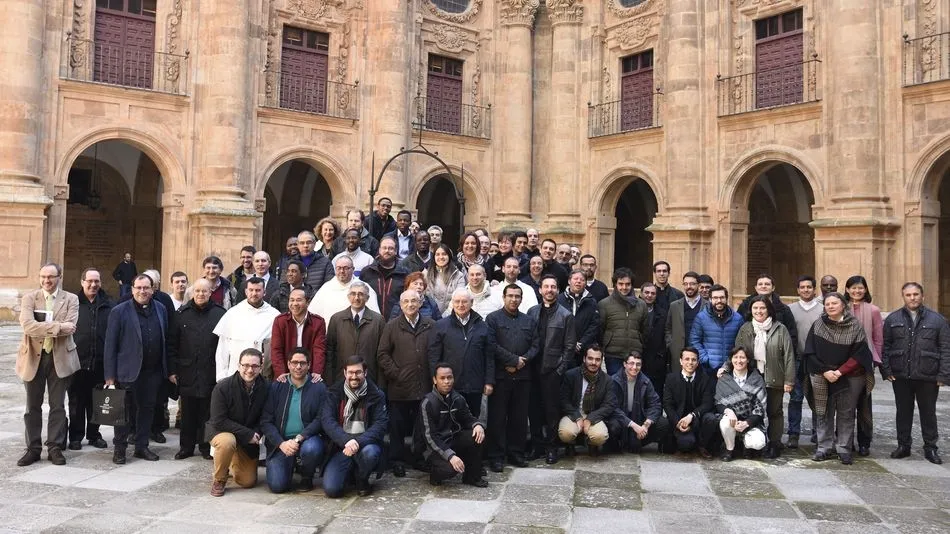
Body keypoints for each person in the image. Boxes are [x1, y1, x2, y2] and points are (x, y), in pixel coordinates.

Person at [16, 263, 80, 466]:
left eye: (51, 277)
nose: (46, 281)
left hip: (59, 358)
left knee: (58, 406)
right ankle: (33, 448)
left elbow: (71, 327)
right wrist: (58, 326)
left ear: (59, 277)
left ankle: (55, 447)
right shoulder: (29, 298)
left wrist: (43, 327)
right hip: (33, 357)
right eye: (43, 276)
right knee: (32, 406)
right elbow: (27, 325)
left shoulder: (71, 299)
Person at [104, 274, 169, 464]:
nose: (142, 291)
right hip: (127, 371)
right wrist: (110, 376)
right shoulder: (119, 311)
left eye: (146, 288)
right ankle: (120, 449)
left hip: (152, 371)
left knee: (147, 409)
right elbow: (110, 345)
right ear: (132, 289)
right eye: (138, 288)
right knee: (123, 412)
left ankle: (142, 446)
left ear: (153, 289)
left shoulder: (161, 308)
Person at [883, 282, 950, 465]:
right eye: (908, 295)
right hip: (901, 375)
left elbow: (945, 348)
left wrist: (943, 375)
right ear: (903, 296)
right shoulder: (892, 319)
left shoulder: (938, 320)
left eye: (916, 294)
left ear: (922, 296)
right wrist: (886, 370)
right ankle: (903, 446)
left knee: (928, 413)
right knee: (903, 412)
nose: (912, 298)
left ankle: (930, 448)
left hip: (927, 376)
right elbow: (886, 346)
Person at [804, 292, 874, 465]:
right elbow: (809, 352)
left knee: (846, 413)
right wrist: (826, 371)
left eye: (834, 303)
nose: (830, 306)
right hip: (823, 375)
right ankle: (824, 448)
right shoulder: (818, 325)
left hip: (850, 376)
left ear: (843, 305)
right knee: (823, 412)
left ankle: (844, 448)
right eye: (827, 304)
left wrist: (840, 372)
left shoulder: (855, 325)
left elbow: (860, 354)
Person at [723, 295, 795, 458]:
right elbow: (737, 352)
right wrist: (726, 368)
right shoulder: (746, 328)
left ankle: (775, 443)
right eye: (755, 308)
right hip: (752, 378)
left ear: (769, 310)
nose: (759, 311)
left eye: (762, 308)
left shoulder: (780, 328)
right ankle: (751, 444)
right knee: (752, 411)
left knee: (774, 411)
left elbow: (789, 355)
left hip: (775, 376)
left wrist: (789, 380)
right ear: (751, 311)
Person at [378, 290, 435, 477]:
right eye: (406, 302)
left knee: (421, 426)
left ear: (420, 303)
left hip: (423, 385)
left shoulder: (430, 324)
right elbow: (383, 354)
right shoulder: (392, 326)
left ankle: (419, 458)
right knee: (397, 427)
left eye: (414, 301)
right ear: (401, 305)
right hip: (399, 387)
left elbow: (436, 351)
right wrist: (397, 374)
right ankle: (397, 460)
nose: (410, 304)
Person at [168, 278, 226, 460]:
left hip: (210, 371)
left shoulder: (220, 314)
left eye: (205, 291)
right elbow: (172, 344)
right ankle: (186, 447)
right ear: (192, 293)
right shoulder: (181, 315)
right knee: (187, 413)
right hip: (187, 371)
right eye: (198, 291)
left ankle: (205, 446)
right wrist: (172, 370)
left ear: (211, 293)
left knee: (207, 412)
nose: (201, 294)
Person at [485, 284, 539, 471]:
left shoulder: (529, 321)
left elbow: (536, 345)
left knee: (519, 418)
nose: (514, 299)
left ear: (521, 299)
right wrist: (512, 360)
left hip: (523, 377)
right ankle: (496, 456)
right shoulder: (492, 319)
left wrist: (522, 361)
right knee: (497, 418)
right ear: (504, 297)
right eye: (511, 296)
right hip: (501, 376)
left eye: (517, 296)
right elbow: (491, 345)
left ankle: (516, 453)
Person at [260, 348, 328, 493]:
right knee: (278, 487)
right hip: (281, 443)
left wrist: (300, 437)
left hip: (307, 439)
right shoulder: (277, 386)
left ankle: (306, 475)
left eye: (302, 363)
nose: (298, 367)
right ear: (288, 364)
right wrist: (281, 443)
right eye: (295, 363)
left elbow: (321, 418)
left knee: (311, 449)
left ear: (309, 365)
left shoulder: (319, 387)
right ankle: (289, 463)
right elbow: (266, 421)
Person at [321, 355, 388, 498]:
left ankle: (362, 478)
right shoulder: (334, 392)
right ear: (345, 373)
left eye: (358, 372)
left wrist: (357, 442)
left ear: (365, 373)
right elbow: (327, 420)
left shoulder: (376, 394)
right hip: (341, 447)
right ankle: (350, 472)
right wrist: (346, 440)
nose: (354, 376)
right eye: (350, 372)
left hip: (365, 445)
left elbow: (380, 424)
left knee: (371, 453)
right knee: (332, 490)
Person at [526, 275, 575, 464]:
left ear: (558, 290)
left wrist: (560, 370)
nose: (549, 290)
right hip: (533, 369)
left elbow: (569, 346)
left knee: (552, 412)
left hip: (552, 371)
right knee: (534, 410)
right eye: (546, 286)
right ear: (540, 290)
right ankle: (536, 446)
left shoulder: (565, 315)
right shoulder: (532, 311)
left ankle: (551, 448)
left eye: (553, 287)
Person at [415, 363, 489, 487]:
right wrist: (450, 456)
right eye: (442, 378)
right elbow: (430, 437)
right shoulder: (428, 403)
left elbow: (468, 418)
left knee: (477, 435)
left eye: (449, 378)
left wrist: (477, 425)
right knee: (451, 470)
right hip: (433, 448)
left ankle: (472, 477)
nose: (447, 381)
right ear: (435, 380)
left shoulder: (457, 398)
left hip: (452, 439)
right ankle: (435, 473)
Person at [207, 348, 268, 497]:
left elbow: (266, 417)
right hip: (222, 431)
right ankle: (219, 479)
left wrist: (257, 433)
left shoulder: (266, 387)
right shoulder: (223, 387)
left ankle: (230, 459)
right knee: (227, 441)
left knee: (247, 482)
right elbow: (219, 420)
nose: (249, 370)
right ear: (238, 365)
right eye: (245, 365)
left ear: (261, 367)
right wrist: (248, 434)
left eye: (254, 366)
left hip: (248, 439)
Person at [429, 288, 493, 417]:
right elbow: (433, 356)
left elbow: (489, 356)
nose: (460, 305)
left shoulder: (483, 326)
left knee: (472, 422)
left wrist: (489, 381)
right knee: (449, 423)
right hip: (450, 385)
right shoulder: (441, 326)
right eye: (457, 301)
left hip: (475, 385)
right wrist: (435, 379)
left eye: (464, 301)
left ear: (471, 302)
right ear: (452, 303)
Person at [66, 268, 111, 451]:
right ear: (82, 282)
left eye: (97, 281)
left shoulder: (108, 305)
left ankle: (94, 434)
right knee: (76, 401)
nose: (93, 285)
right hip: (77, 362)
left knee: (97, 402)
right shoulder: (73, 304)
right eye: (90, 281)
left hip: (100, 363)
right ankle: (76, 436)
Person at [843, 275, 882, 457]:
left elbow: (877, 338)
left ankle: (864, 441)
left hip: (865, 363)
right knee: (844, 404)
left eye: (860, 288)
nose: (857, 291)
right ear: (847, 289)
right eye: (853, 288)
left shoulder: (873, 310)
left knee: (864, 404)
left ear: (865, 290)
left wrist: (875, 360)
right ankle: (845, 440)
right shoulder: (841, 308)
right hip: (843, 362)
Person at [213, 277, 280, 381]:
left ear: (264, 292)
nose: (254, 293)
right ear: (245, 291)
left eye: (258, 290)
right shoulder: (233, 313)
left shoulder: (274, 315)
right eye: (251, 290)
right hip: (234, 373)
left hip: (262, 375)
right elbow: (222, 349)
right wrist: (221, 376)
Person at [558, 345, 615, 456]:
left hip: (594, 414)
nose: (593, 362)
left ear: (601, 361)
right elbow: (563, 400)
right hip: (574, 413)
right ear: (584, 358)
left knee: (600, 437)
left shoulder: (607, 380)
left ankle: (592, 444)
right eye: (590, 358)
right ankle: (571, 444)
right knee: (566, 434)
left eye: (597, 359)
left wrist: (590, 419)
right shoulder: (571, 375)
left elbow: (609, 405)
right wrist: (577, 416)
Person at [608, 351, 669, 453]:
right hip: (621, 419)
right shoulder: (614, 381)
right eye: (631, 363)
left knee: (664, 423)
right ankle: (617, 444)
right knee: (613, 426)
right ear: (624, 364)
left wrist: (646, 424)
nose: (634, 367)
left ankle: (638, 440)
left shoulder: (645, 381)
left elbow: (655, 404)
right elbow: (612, 408)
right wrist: (633, 425)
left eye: (638, 364)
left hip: (639, 417)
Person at [324, 281, 385, 383]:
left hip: (369, 379)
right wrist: (330, 380)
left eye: (361, 294)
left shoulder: (378, 320)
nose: (356, 298)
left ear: (367, 298)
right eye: (353, 294)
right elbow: (330, 352)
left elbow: (382, 354)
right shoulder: (336, 319)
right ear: (348, 297)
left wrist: (381, 384)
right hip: (341, 379)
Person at [663, 347, 719, 457]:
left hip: (698, 419)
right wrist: (678, 423)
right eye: (687, 359)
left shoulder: (705, 379)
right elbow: (667, 404)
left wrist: (692, 415)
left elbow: (707, 403)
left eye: (693, 360)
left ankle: (703, 445)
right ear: (681, 361)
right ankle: (688, 442)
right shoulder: (671, 378)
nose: (690, 363)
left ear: (698, 362)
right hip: (679, 420)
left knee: (711, 419)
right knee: (686, 445)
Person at [787, 275, 822, 448]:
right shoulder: (790, 309)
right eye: (802, 287)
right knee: (795, 398)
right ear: (798, 290)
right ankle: (793, 434)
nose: (806, 290)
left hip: (816, 360)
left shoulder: (823, 309)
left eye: (809, 287)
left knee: (818, 398)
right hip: (796, 359)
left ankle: (818, 433)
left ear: (814, 289)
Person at [715, 347, 768, 461]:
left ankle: (746, 446)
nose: (739, 361)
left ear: (748, 360)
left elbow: (760, 409)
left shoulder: (756, 379)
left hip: (751, 421)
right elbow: (718, 403)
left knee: (758, 442)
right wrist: (729, 411)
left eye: (742, 357)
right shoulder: (724, 378)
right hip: (731, 419)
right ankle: (729, 449)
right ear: (731, 359)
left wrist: (747, 423)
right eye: (736, 357)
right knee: (725, 422)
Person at [736, 274, 800, 360]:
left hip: (776, 359)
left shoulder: (784, 309)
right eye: (760, 284)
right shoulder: (745, 306)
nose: (763, 286)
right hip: (750, 358)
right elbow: (739, 331)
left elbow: (792, 335)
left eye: (767, 284)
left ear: (773, 288)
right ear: (756, 288)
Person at [599, 267, 648, 376]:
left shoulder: (641, 305)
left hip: (634, 353)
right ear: (615, 284)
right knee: (615, 386)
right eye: (621, 284)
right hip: (613, 354)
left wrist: (640, 343)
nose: (624, 287)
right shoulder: (604, 304)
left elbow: (645, 330)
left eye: (627, 284)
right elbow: (601, 329)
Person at [271, 288, 327, 379]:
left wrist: (316, 372)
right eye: (291, 300)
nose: (294, 304)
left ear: (308, 302)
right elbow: (276, 350)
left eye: (299, 300)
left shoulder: (318, 322)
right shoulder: (280, 321)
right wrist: (280, 373)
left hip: (309, 372)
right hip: (285, 372)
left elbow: (319, 350)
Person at [689, 284, 743, 375]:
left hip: (732, 367)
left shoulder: (738, 319)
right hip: (708, 369)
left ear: (726, 299)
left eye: (722, 297)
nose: (719, 301)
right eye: (715, 298)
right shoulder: (701, 317)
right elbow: (694, 340)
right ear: (710, 299)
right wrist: (705, 359)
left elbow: (741, 343)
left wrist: (731, 362)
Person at [309, 256, 380, 324]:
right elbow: (313, 315)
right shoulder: (326, 288)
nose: (342, 271)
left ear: (353, 269)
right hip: (330, 333)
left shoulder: (364, 288)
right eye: (339, 268)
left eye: (346, 268)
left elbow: (374, 317)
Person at [666, 271, 706, 376]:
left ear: (699, 285)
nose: (689, 287)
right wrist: (671, 344)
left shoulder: (708, 306)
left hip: (701, 353)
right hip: (679, 353)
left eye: (692, 284)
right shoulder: (674, 306)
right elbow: (668, 328)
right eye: (686, 284)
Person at [558, 269, 601, 366]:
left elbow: (594, 325)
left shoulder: (591, 301)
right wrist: (569, 343)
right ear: (569, 281)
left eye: (582, 280)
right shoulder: (559, 300)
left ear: (585, 283)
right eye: (575, 279)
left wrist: (581, 343)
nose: (578, 281)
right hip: (562, 349)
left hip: (583, 350)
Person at [360, 235, 408, 319]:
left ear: (396, 251)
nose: (387, 251)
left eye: (391, 248)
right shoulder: (367, 272)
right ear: (379, 250)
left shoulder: (404, 273)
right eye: (384, 248)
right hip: (370, 321)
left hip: (396, 322)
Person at [639, 282, 668, 397]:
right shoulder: (632, 310)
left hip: (656, 359)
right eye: (646, 292)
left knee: (656, 392)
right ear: (641, 294)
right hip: (638, 356)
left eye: (653, 293)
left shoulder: (663, 313)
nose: (649, 295)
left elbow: (667, 334)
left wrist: (662, 353)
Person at [425, 244, 466, 314]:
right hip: (431, 316)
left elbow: (459, 298)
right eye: (437, 254)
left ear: (449, 256)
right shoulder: (426, 275)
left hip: (452, 316)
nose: (441, 257)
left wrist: (445, 316)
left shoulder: (458, 276)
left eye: (444, 254)